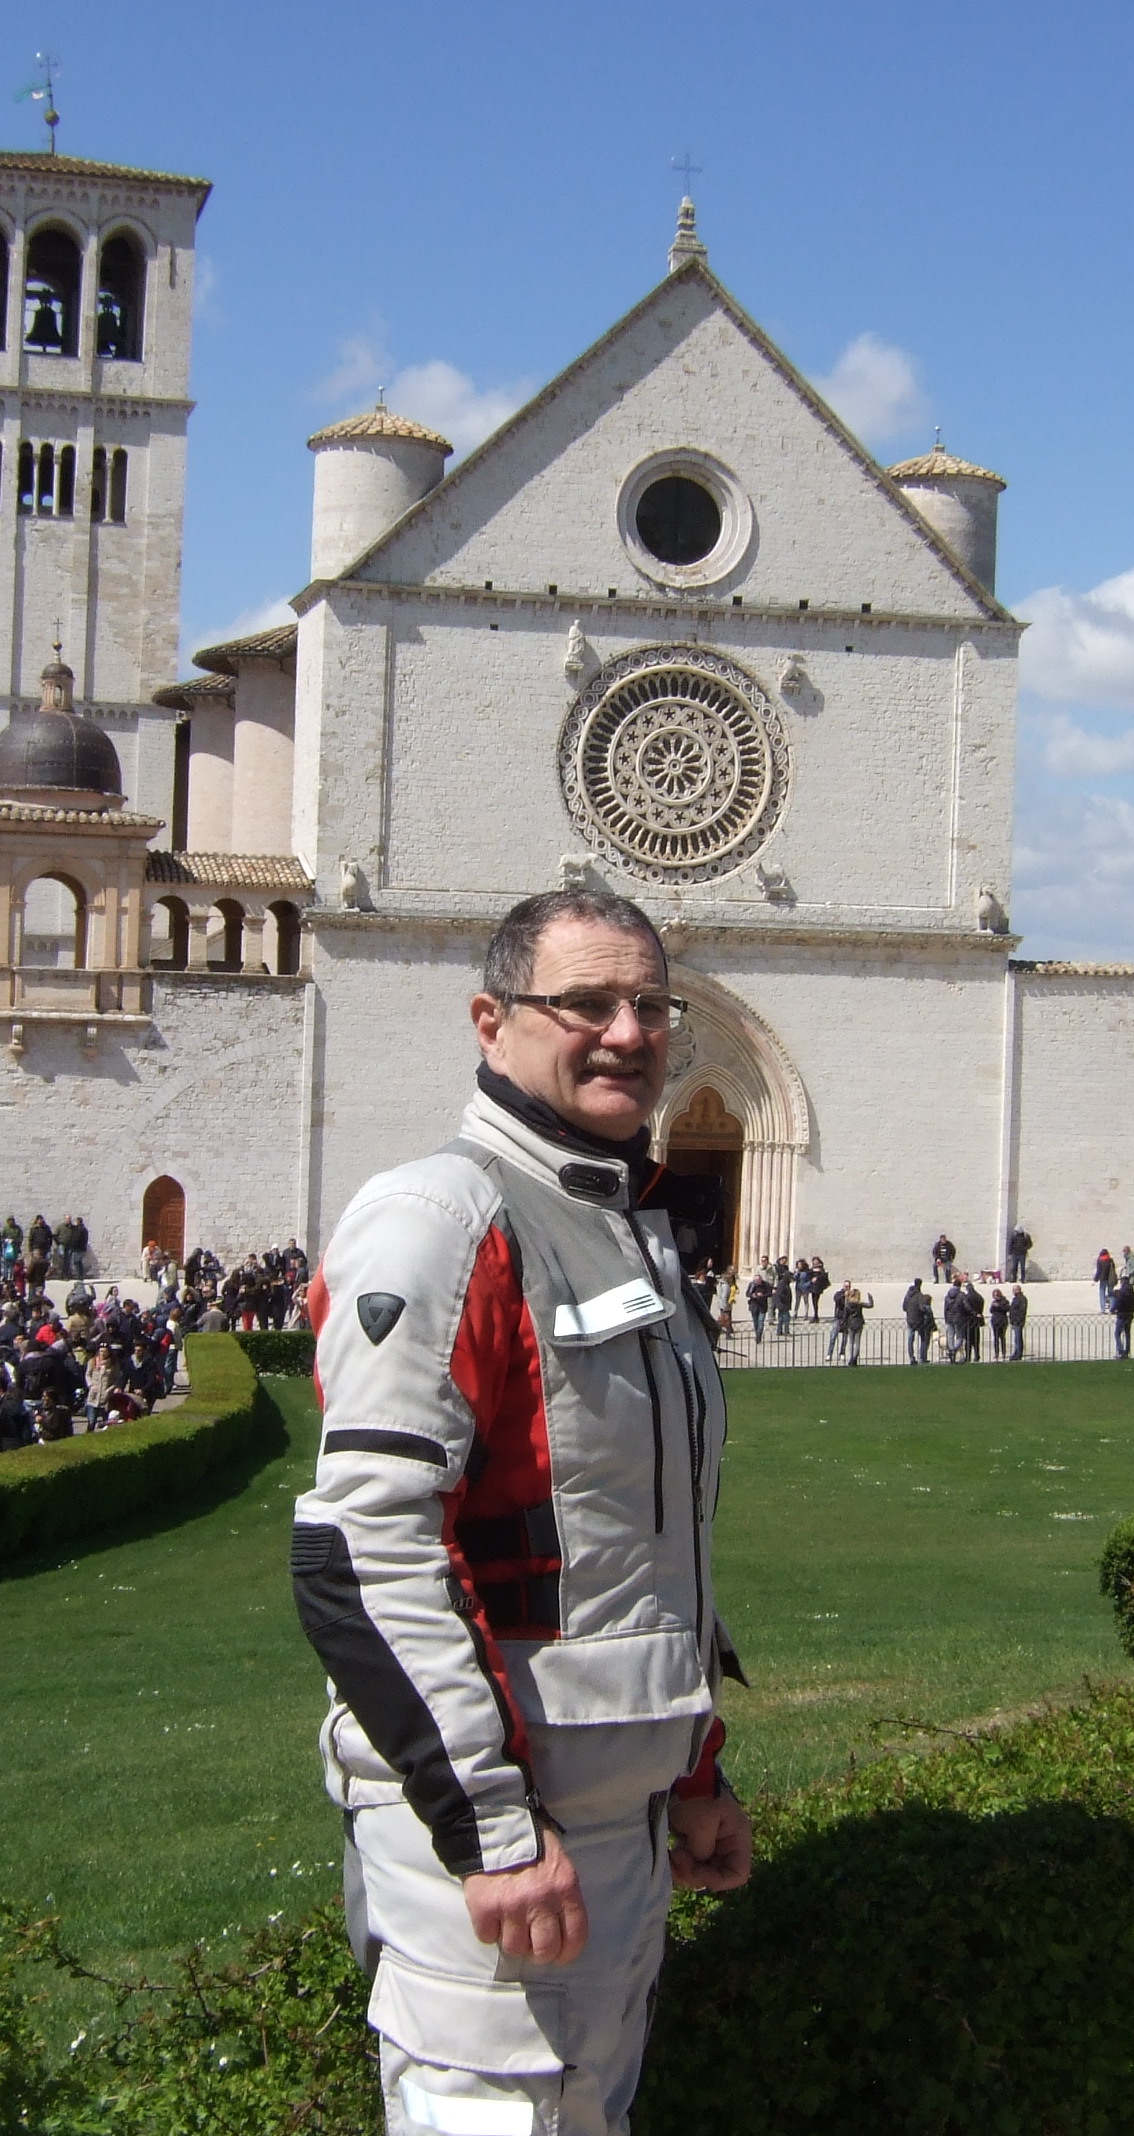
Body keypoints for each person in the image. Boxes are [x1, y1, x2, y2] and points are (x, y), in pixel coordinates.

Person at [291, 889, 749, 2136]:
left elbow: (639, 1550)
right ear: (491, 1021)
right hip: (497, 1842)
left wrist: (694, 1770)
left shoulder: (618, 1228)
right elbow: (362, 1547)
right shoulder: (441, 1220)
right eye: (586, 1003)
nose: (627, 1031)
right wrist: (491, 1829)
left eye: (650, 1004)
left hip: (622, 1834)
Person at [902, 1278, 936, 1365]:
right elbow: (921, 1307)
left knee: (910, 1339)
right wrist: (927, 1311)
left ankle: (911, 1357)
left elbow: (904, 1307)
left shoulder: (908, 1295)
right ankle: (922, 1357)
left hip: (910, 1319)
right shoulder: (919, 1295)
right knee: (924, 1338)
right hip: (918, 1320)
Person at [1111, 1274, 1134, 1358]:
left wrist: (1112, 1310)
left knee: (1117, 1333)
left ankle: (1120, 1351)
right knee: (1127, 1333)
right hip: (1130, 1315)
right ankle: (1127, 1351)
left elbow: (1117, 1304)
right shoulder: (1133, 1293)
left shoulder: (1120, 1293)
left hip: (1121, 1315)